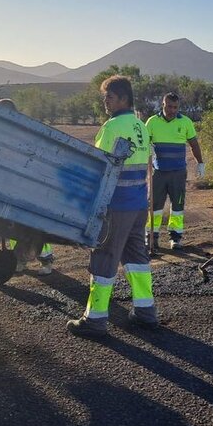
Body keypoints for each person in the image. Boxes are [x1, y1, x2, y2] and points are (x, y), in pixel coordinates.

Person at [67, 76, 158, 337]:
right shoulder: (141, 126)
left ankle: (95, 319)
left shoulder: (112, 126)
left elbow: (100, 167)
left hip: (117, 205)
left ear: (123, 99)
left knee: (105, 256)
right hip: (139, 203)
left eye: (109, 97)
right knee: (136, 257)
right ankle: (145, 311)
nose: (105, 102)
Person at [0, 98, 55, 275]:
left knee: (33, 226)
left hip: (26, 187)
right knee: (12, 226)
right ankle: (19, 261)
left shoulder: (23, 132)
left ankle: (46, 261)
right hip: (9, 187)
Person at [145, 93, 205, 250]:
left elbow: (194, 143)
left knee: (177, 205)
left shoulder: (185, 122)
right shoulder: (152, 122)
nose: (172, 110)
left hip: (178, 173)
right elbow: (143, 145)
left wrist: (200, 163)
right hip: (158, 172)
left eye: (175, 107)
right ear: (162, 104)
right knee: (154, 206)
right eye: (169, 106)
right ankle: (152, 237)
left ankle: (175, 238)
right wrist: (147, 149)